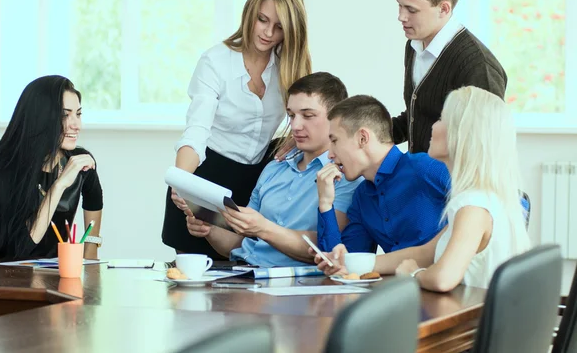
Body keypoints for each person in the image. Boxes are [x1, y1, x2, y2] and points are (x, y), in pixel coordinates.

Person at [317, 87, 531, 291]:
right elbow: (424, 253)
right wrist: (327, 208)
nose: (431, 126)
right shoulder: (363, 198)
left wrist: (413, 273)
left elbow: (441, 277)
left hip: (459, 309)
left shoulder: (466, 200)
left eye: (441, 119)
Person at [162, 0, 312, 260]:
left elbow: (309, 116)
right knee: (192, 288)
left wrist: (292, 140)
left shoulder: (289, 66)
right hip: (207, 178)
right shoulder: (215, 62)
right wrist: (183, 182)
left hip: (255, 186)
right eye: (262, 19)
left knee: (246, 285)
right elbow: (196, 132)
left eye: (279, 27)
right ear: (250, 12)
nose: (268, 33)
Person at [186, 73, 361, 267]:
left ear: (337, 118)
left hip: (300, 286)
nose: (295, 126)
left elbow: (326, 247)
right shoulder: (274, 168)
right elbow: (247, 246)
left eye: (308, 115)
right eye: (292, 115)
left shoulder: (346, 176)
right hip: (247, 274)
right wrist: (209, 230)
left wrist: (263, 228)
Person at [0, 75, 103, 261]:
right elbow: (21, 248)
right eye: (65, 115)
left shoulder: (79, 161)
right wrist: (59, 185)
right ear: (42, 117)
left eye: (78, 114)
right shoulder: (4, 167)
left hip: (54, 276)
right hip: (9, 276)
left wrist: (90, 257)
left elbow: (94, 199)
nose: (77, 125)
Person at [393, 0, 507, 153]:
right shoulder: (413, 45)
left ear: (443, 9)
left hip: (452, 183)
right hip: (420, 177)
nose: (401, 17)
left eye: (411, 10)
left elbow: (483, 149)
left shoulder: (477, 65)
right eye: (400, 5)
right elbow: (418, 116)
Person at [316, 95, 449, 254]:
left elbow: (480, 209)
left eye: (335, 141)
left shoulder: (425, 168)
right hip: (397, 278)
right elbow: (345, 265)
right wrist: (325, 204)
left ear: (362, 138)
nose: (330, 154)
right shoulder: (362, 199)